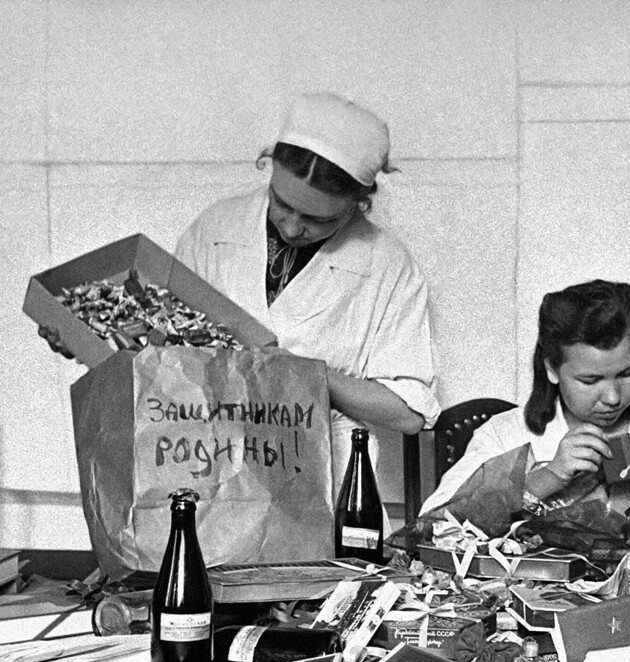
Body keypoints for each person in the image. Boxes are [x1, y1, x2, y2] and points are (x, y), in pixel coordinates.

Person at [174, 93, 440, 487]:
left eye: (318, 219)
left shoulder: (386, 264)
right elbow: (163, 352)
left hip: (320, 484)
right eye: (281, 202)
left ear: (359, 204)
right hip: (206, 468)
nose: (293, 227)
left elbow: (408, 414)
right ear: (270, 167)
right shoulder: (216, 229)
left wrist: (301, 372)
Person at [421, 279, 630, 521]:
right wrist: (548, 477)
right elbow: (431, 528)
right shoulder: (506, 435)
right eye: (590, 380)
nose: (612, 397)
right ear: (552, 369)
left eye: (627, 373)